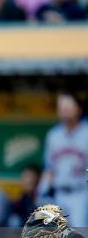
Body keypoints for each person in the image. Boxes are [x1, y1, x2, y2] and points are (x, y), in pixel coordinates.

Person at [38, 92, 88, 227]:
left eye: (68, 106)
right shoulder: (53, 135)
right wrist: (42, 192)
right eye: (61, 107)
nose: (64, 110)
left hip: (81, 194)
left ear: (79, 108)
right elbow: (49, 168)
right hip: (58, 194)